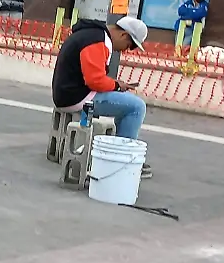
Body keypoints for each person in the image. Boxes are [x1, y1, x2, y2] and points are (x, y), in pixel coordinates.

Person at [51, 17, 152, 178]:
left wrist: (116, 84)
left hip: (69, 93)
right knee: (136, 107)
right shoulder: (98, 40)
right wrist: (117, 86)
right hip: (77, 97)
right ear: (124, 35)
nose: (125, 50)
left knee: (126, 102)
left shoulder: (91, 34)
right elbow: (95, 81)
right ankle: (123, 158)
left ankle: (119, 152)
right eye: (130, 45)